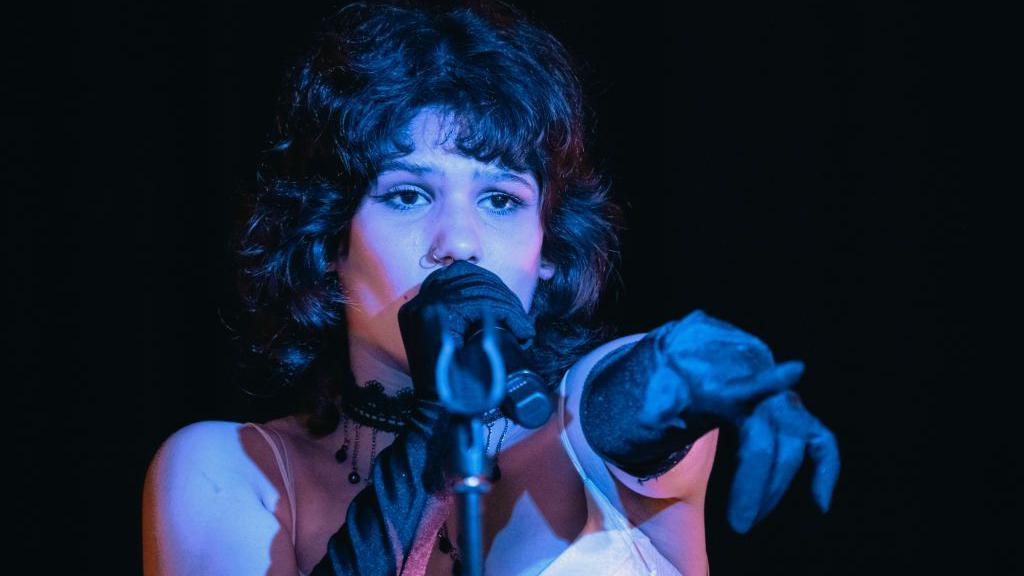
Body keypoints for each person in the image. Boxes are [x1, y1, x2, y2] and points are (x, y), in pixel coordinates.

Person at [142, 2, 840, 575]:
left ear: (547, 253)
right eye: (410, 195)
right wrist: (439, 421)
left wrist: (708, 364)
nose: (462, 241)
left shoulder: (582, 424)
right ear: (329, 242)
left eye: (502, 201)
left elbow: (637, 393)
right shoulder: (230, 472)